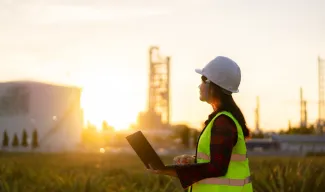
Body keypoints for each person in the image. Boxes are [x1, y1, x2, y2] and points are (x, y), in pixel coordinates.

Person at [147, 56, 253, 192]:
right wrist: (194, 160)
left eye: (203, 80)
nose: (199, 86)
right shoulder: (223, 120)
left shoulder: (223, 122)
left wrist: (167, 170)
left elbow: (217, 167)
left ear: (214, 85)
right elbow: (220, 159)